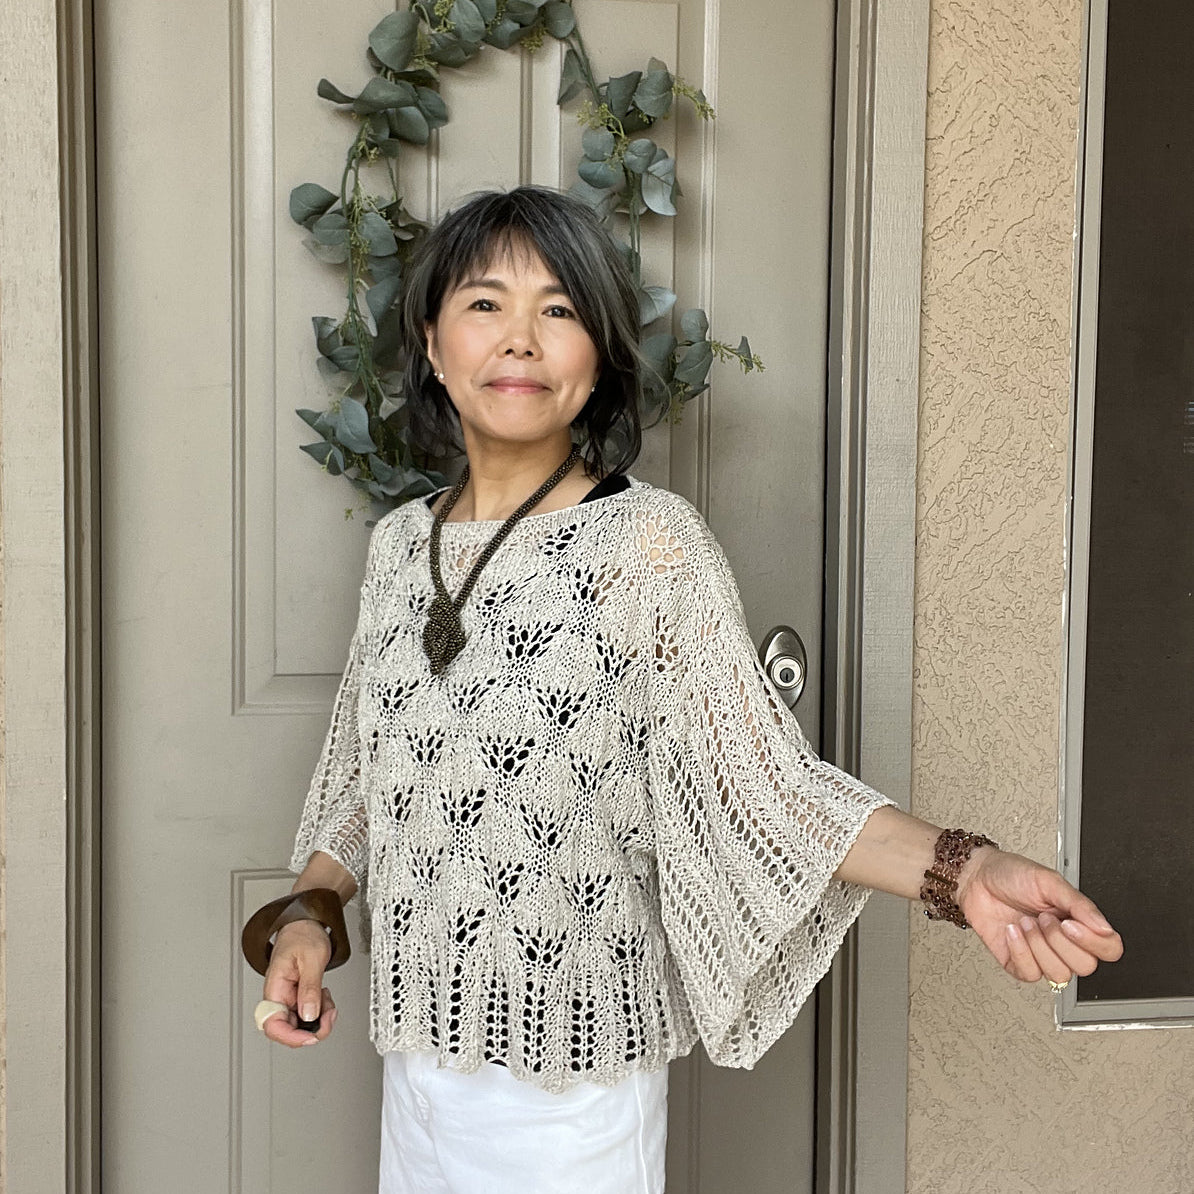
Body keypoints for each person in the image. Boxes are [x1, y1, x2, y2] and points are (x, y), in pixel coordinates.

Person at [249, 186, 1123, 1194]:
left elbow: (764, 785)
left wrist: (963, 871)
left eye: (561, 310)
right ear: (435, 346)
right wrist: (311, 913)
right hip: (421, 1066)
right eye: (486, 304)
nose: (522, 339)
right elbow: (372, 776)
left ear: (599, 363)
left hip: (577, 1091)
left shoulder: (650, 547)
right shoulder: (403, 547)